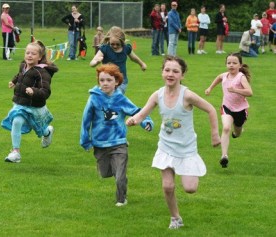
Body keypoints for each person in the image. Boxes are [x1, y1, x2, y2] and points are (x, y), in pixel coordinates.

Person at [126, 56, 221, 229]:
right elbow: (142, 113)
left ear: (182, 75)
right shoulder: (157, 95)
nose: (170, 74)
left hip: (186, 149)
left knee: (190, 188)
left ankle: (188, 168)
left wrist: (215, 134)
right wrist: (133, 120)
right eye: (167, 70)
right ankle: (175, 218)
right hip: (166, 147)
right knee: (168, 186)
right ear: (162, 72)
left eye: (175, 71)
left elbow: (210, 109)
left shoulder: (188, 95)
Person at [80, 63, 153, 207]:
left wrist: (146, 122)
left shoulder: (120, 99)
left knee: (120, 176)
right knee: (105, 173)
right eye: (102, 80)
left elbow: (137, 111)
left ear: (117, 82)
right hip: (100, 143)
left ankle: (121, 198)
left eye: (109, 80)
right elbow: (85, 119)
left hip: (118, 142)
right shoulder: (94, 98)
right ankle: (115, 173)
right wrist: (85, 140)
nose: (105, 83)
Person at [1, 41, 59, 163]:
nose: (29, 55)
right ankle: (16, 152)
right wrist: (14, 81)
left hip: (34, 108)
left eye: (33, 53)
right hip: (20, 104)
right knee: (16, 121)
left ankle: (47, 132)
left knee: (39, 129)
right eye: (27, 52)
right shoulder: (23, 65)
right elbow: (21, 75)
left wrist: (34, 91)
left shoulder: (42, 72)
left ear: (40, 57)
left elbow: (46, 91)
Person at [205, 53, 253, 168]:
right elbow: (218, 77)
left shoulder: (241, 77)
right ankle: (224, 156)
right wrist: (210, 88)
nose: (231, 65)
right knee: (226, 128)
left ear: (240, 65)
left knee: (237, 132)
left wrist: (236, 90)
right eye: (229, 63)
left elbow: (250, 92)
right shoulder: (225, 75)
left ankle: (236, 133)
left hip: (240, 110)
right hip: (226, 107)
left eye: (234, 63)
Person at [90, 26, 147, 94]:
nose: (115, 46)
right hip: (107, 80)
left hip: (121, 81)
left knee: (114, 96)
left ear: (122, 42)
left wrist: (142, 64)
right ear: (109, 40)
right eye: (112, 44)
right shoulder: (105, 49)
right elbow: (92, 63)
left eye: (118, 44)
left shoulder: (126, 48)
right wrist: (96, 62)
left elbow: (134, 58)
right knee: (105, 99)